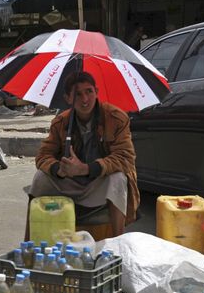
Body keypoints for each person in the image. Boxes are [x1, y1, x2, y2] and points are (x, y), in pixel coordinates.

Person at [26, 71, 139, 238]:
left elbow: (125, 158)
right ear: (68, 98)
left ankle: (118, 243)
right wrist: (59, 169)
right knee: (40, 179)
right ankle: (29, 244)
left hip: (98, 183)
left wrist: (86, 169)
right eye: (78, 94)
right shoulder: (61, 122)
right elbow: (43, 156)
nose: (85, 99)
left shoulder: (116, 118)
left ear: (97, 92)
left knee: (118, 179)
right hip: (69, 183)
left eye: (89, 92)